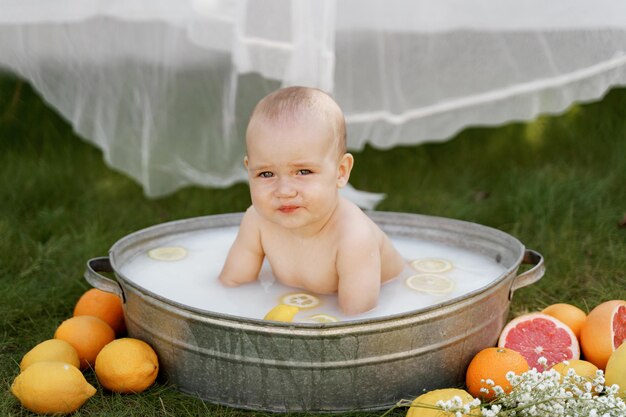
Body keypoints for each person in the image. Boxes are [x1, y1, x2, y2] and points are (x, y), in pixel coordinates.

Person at [219, 86, 405, 315]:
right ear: (249, 171)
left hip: (397, 292)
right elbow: (232, 288)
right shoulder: (256, 221)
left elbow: (357, 321)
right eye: (266, 174)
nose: (284, 191)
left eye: (303, 171)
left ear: (341, 171)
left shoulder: (353, 238)